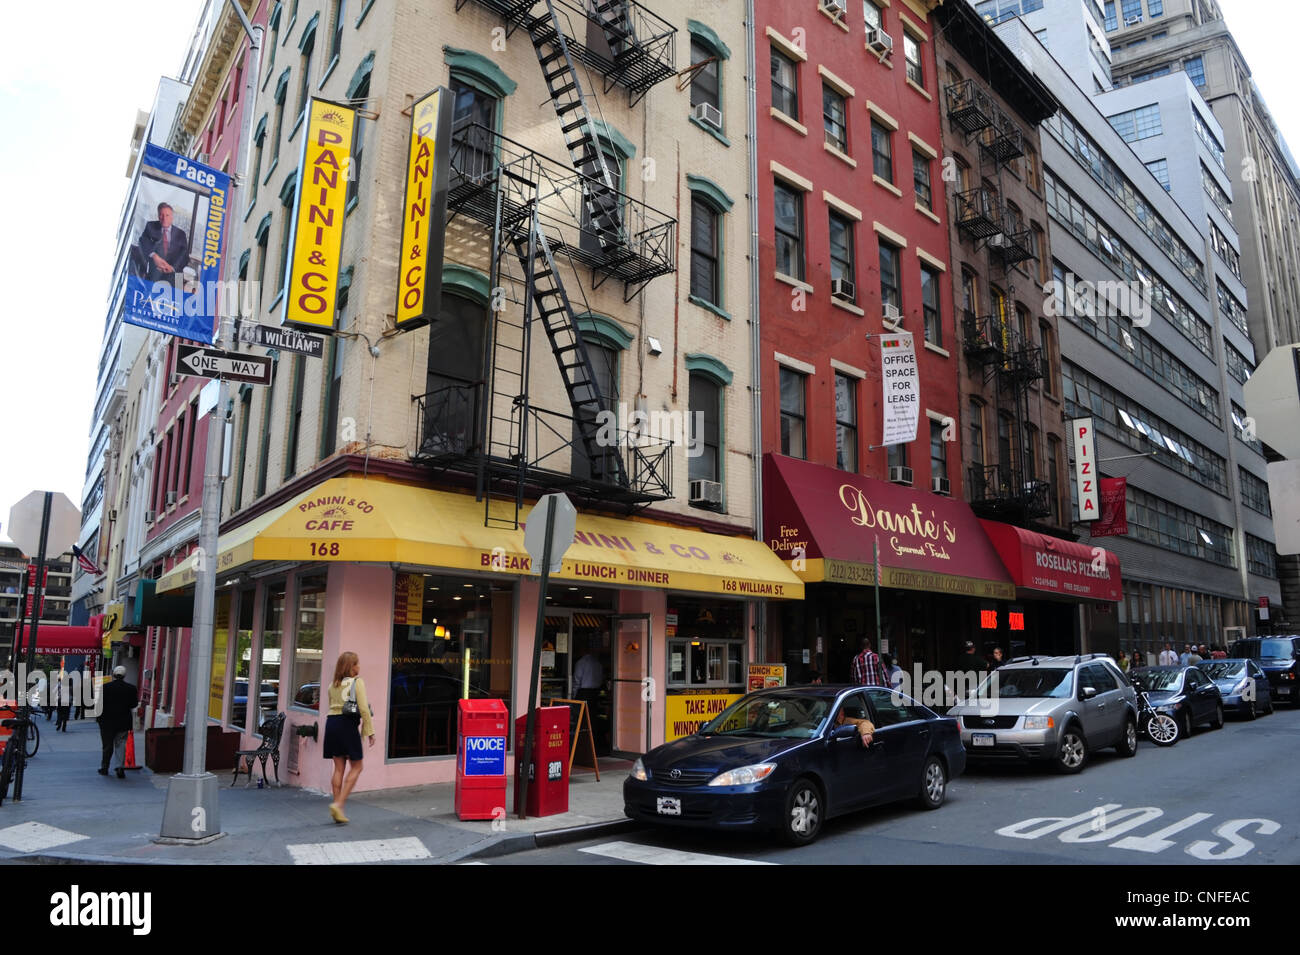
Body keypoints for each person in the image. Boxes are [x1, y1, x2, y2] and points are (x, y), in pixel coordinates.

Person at [324, 651, 375, 823]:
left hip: (331, 724)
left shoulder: (332, 685)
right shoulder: (356, 682)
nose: (359, 666)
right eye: (357, 664)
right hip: (347, 725)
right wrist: (369, 731)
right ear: (351, 667)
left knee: (338, 767)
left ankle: (338, 810)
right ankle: (339, 805)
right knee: (357, 766)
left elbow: (331, 706)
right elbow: (364, 708)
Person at [97, 666, 138, 779]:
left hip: (106, 722)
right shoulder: (131, 688)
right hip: (123, 721)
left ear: (113, 675)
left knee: (107, 746)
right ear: (124, 676)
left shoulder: (105, 687)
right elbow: (134, 704)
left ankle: (104, 768)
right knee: (121, 744)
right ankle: (119, 767)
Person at [138, 202, 189, 282]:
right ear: (158, 216)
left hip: (175, 274)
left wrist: (172, 268)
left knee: (177, 292)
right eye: (161, 215)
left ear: (172, 217)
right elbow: (143, 242)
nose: (164, 218)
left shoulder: (181, 234)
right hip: (155, 272)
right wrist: (154, 256)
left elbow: (184, 256)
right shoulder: (150, 226)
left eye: (167, 215)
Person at [53, 668, 71, 732]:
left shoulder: (59, 684)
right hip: (67, 701)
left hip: (60, 701)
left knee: (60, 713)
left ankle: (59, 723)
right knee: (66, 714)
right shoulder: (70, 684)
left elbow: (54, 691)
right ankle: (64, 727)